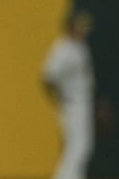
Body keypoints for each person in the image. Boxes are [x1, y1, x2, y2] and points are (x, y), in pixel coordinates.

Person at [42, 9, 95, 179]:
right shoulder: (62, 49)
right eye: (80, 24)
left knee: (83, 146)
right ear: (71, 26)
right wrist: (59, 99)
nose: (84, 27)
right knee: (78, 146)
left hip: (82, 101)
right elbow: (47, 77)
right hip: (71, 102)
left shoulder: (80, 47)